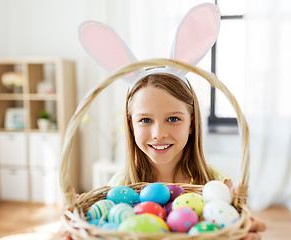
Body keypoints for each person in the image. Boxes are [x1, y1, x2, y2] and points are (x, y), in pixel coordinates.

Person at [107, 71, 266, 240]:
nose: (158, 134)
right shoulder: (119, 186)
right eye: (146, 120)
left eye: (173, 119)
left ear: (192, 123)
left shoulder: (219, 184)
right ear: (131, 125)